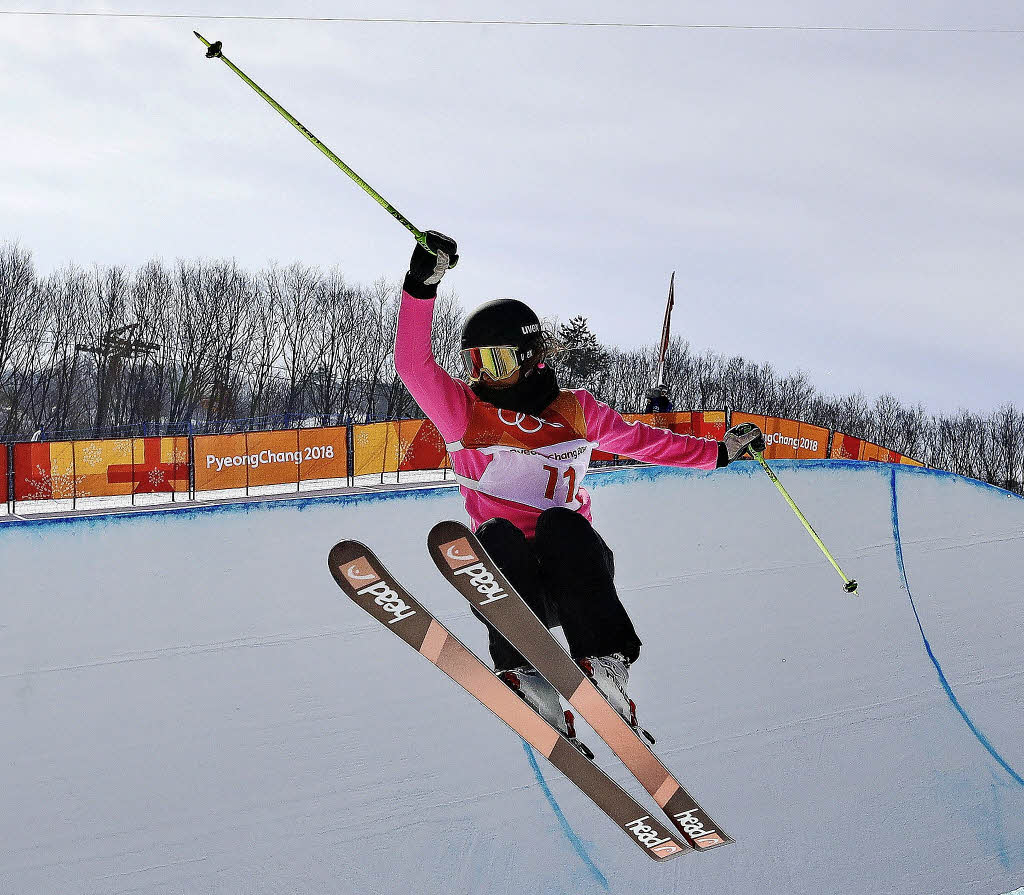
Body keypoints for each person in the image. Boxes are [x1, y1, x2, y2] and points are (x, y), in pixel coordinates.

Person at [395, 231, 764, 746]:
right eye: (475, 363)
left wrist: (717, 453)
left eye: (496, 362)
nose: (485, 376)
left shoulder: (575, 411)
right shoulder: (464, 413)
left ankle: (605, 663)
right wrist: (421, 285)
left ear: (529, 356)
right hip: (510, 581)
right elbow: (413, 367)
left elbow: (645, 443)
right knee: (497, 533)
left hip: (576, 578)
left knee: (560, 523)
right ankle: (526, 674)